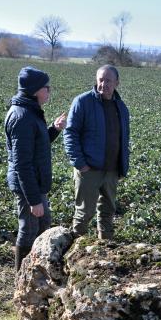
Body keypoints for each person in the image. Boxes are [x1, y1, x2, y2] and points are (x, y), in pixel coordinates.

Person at [5, 66, 66, 271]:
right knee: (29, 231)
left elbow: (37, 145)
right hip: (28, 188)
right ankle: (21, 277)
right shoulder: (23, 117)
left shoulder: (30, 112)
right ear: (35, 90)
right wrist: (33, 200)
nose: (49, 91)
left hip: (36, 184)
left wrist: (54, 130)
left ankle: (36, 274)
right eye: (46, 87)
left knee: (43, 226)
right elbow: (22, 164)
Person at [63, 65, 130, 239]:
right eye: (101, 79)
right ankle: (75, 248)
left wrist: (122, 166)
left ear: (117, 83)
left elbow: (124, 138)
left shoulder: (121, 107)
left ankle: (105, 247)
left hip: (112, 170)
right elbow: (70, 133)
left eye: (108, 80)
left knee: (108, 212)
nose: (103, 84)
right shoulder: (82, 102)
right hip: (89, 169)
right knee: (84, 213)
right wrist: (80, 163)